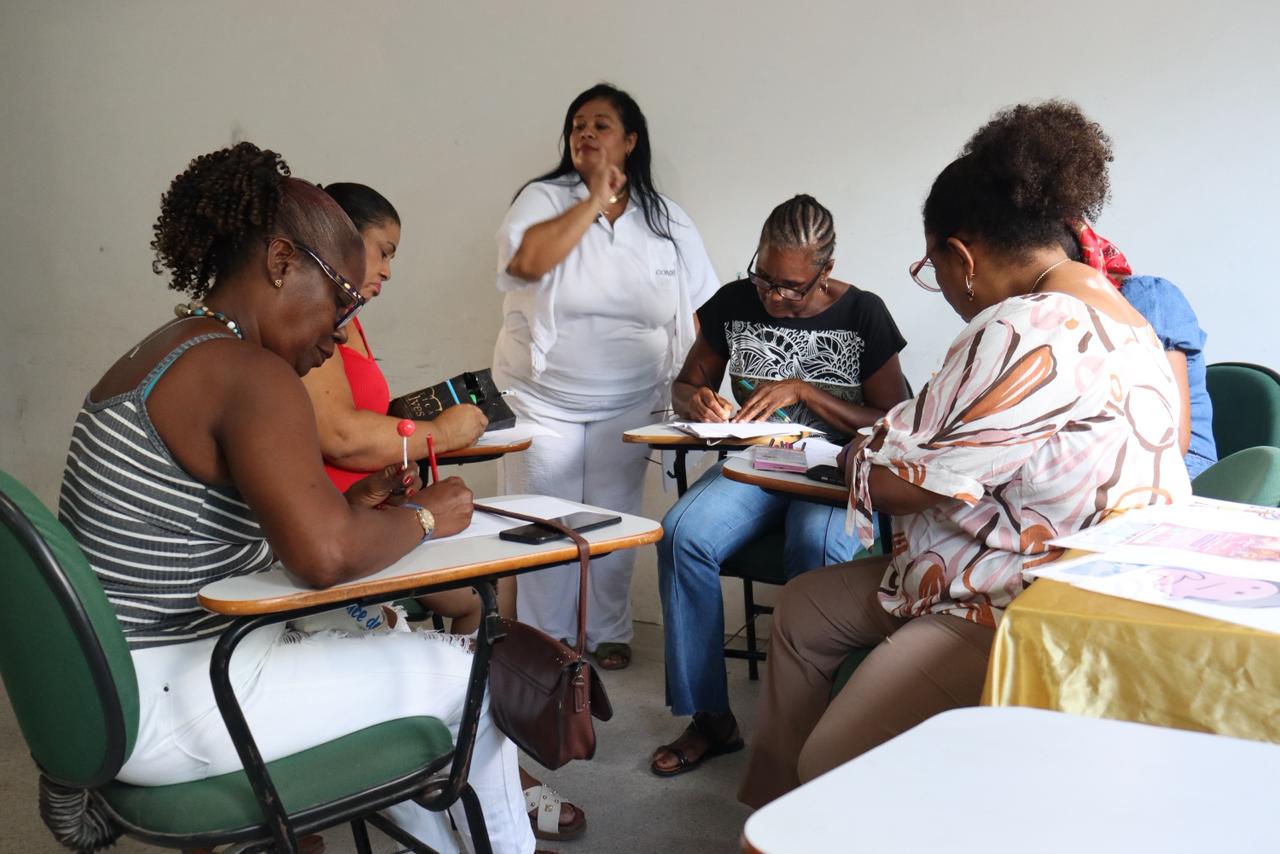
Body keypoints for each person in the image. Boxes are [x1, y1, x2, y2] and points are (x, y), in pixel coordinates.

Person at [56, 143, 538, 854]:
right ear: (282, 263)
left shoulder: (162, 352)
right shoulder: (251, 374)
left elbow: (226, 533)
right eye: (341, 298)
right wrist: (427, 516)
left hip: (105, 696)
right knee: (473, 677)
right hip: (181, 699)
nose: (340, 331)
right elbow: (323, 558)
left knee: (375, 639)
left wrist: (356, 509)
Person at [738, 101, 1193, 808]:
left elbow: (911, 481)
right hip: (1004, 566)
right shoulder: (1125, 317)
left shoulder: (1026, 327)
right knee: (803, 608)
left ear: (963, 256)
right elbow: (939, 439)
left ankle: (815, 803)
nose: (944, 287)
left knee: (832, 761)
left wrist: (865, 453)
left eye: (934, 267)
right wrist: (889, 441)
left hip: (1026, 600)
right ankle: (772, 818)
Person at [302, 182, 584, 843]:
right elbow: (339, 436)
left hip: (368, 500)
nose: (387, 271)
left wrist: (409, 432)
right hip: (338, 523)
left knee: (492, 584)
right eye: (382, 251)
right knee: (476, 605)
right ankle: (467, 753)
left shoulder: (346, 320)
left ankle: (476, 755)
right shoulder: (307, 325)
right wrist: (438, 433)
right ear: (336, 243)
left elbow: (357, 421)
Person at [650, 194, 910, 776]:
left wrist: (805, 390)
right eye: (764, 278)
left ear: (826, 270)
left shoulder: (863, 314)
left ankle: (812, 726)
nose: (773, 296)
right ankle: (711, 719)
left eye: (791, 287)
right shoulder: (734, 304)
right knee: (681, 534)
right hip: (758, 465)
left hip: (833, 470)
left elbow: (894, 420)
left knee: (817, 545)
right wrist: (699, 401)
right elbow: (685, 385)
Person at [492, 83, 720, 670]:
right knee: (548, 521)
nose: (586, 134)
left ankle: (608, 632)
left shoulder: (665, 218)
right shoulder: (544, 199)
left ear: (631, 140)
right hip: (544, 400)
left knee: (614, 520)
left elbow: (704, 310)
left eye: (601, 125)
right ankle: (549, 642)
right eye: (577, 125)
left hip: (631, 398)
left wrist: (702, 387)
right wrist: (592, 198)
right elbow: (527, 262)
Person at [1063, 219, 1216, 478]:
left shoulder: (1149, 298)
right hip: (1109, 456)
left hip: (1181, 466)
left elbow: (1171, 440)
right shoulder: (1048, 316)